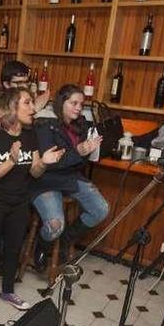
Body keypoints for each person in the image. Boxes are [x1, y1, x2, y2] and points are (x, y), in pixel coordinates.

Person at [0, 88, 64, 315]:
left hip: (19, 202)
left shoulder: (30, 136)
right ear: (12, 107)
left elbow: (34, 173)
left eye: (33, 103)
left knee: (13, 248)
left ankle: (8, 290)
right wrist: (11, 161)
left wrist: (44, 162)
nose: (33, 109)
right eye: (27, 103)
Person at [31, 84, 108, 268]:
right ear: (61, 102)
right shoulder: (45, 124)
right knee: (55, 226)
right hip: (46, 181)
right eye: (74, 103)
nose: (79, 108)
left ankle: (66, 239)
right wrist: (79, 152)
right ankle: (42, 245)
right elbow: (50, 164)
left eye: (81, 104)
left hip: (70, 178)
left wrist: (88, 152)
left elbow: (77, 162)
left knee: (101, 210)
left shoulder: (80, 125)